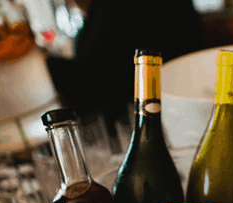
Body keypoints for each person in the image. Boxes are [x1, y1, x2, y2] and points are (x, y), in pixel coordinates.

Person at [46, 0, 203, 153]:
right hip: (170, 118)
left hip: (155, 127)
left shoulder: (117, 6)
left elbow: (92, 80)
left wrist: (44, 63)